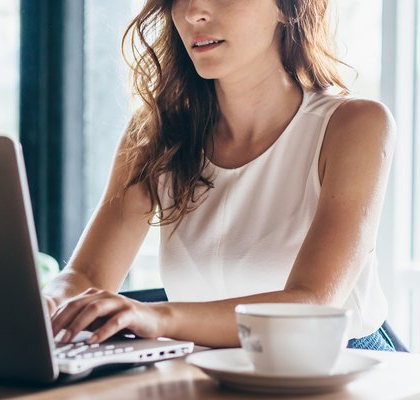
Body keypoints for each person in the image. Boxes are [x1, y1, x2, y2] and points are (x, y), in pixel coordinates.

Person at [42, 0, 397, 351]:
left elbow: (313, 304)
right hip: (210, 368)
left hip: (344, 370)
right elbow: (87, 277)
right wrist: (46, 304)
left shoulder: (355, 126)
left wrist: (159, 319)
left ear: (287, 8)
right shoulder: (157, 134)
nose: (193, 11)